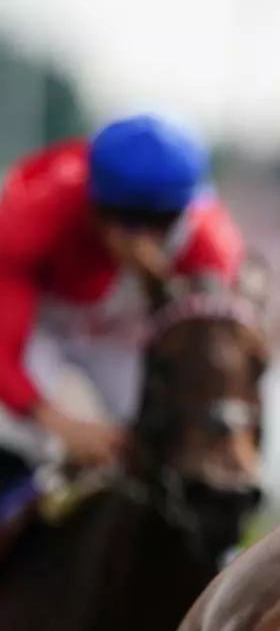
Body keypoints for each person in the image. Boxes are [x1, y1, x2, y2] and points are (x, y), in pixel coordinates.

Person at [0, 113, 244, 492]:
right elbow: (4, 351)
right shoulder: (36, 210)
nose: (143, 237)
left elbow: (204, 360)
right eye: (129, 220)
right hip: (43, 324)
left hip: (124, 336)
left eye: (161, 220)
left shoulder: (209, 245)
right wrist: (65, 427)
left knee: (174, 435)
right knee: (13, 431)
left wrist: (163, 285)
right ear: (94, 201)